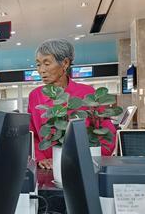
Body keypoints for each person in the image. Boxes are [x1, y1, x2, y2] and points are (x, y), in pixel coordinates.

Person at [28, 38, 116, 170]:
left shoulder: (88, 93)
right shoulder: (35, 96)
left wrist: (91, 158)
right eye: (38, 64)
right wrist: (41, 159)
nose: (41, 70)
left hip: (83, 166)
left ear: (65, 63)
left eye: (47, 64)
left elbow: (107, 134)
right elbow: (31, 135)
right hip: (49, 169)